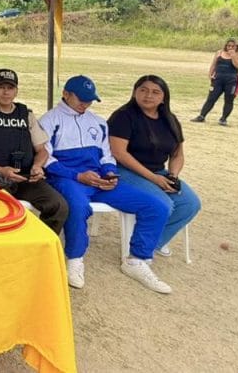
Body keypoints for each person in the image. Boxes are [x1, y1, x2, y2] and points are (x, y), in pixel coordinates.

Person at [39, 75, 172, 294]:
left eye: (89, 99)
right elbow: (46, 158)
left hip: (99, 179)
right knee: (78, 207)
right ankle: (74, 258)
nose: (85, 103)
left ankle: (137, 259)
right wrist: (77, 176)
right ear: (65, 94)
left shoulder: (98, 122)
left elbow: (107, 155)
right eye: (80, 98)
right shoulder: (49, 120)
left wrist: (110, 173)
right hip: (68, 178)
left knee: (155, 205)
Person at [108, 75, 201, 256]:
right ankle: (139, 253)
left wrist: (172, 176)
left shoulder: (170, 119)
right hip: (124, 170)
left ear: (163, 97)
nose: (148, 95)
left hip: (158, 171)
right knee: (162, 202)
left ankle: (154, 241)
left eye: (155, 92)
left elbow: (177, 154)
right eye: (143, 90)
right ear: (135, 92)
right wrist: (154, 179)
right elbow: (119, 153)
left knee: (189, 203)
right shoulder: (123, 116)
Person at [0, 69, 68, 234]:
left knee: (58, 206)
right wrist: (1, 170)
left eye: (10, 87)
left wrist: (38, 166)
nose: (5, 92)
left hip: (26, 178)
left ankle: (41, 245)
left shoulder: (25, 114)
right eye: (0, 87)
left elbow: (42, 150)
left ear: (16, 91)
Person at [192, 38, 238, 126]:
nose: (230, 48)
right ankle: (202, 116)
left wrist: (233, 56)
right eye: (228, 46)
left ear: (237, 46)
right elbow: (214, 64)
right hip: (218, 79)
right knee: (211, 98)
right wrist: (210, 74)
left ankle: (223, 119)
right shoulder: (219, 52)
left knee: (229, 100)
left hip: (231, 80)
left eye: (233, 46)